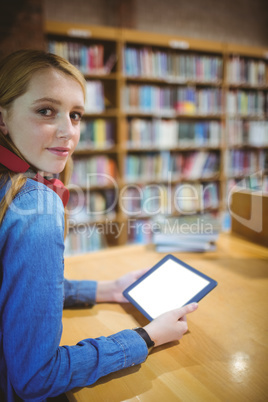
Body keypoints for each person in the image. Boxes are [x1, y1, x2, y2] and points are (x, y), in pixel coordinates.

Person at [0, 49, 198, 401]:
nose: (68, 132)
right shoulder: (36, 204)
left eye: (75, 115)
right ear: (3, 117)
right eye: (46, 111)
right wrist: (146, 337)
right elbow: (36, 378)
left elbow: (14, 288)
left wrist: (104, 289)